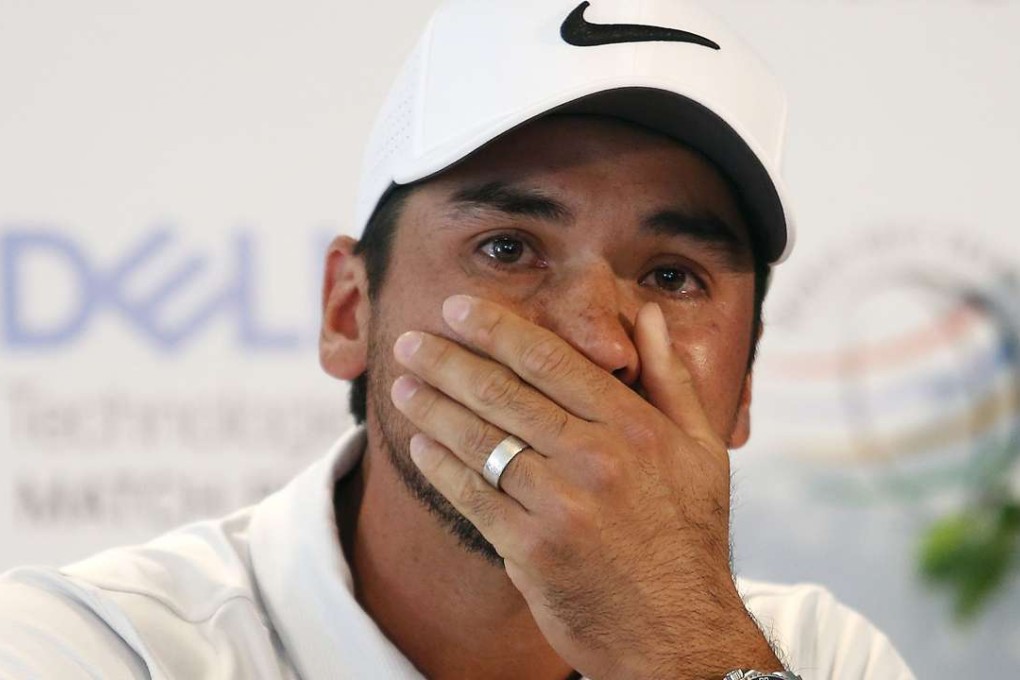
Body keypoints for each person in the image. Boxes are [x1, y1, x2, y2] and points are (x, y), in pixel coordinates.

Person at [0, 1, 915, 678]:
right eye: (508, 249)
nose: (598, 344)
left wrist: (680, 651)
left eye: (673, 276)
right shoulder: (88, 648)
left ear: (745, 383)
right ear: (348, 313)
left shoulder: (818, 656)